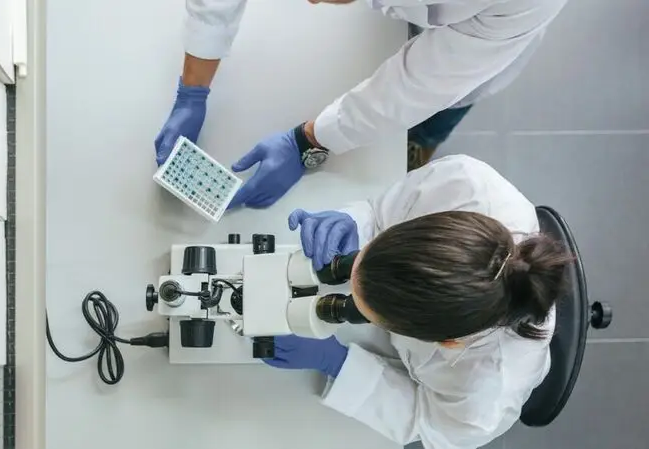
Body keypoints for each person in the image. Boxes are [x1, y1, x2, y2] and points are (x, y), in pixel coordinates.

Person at [263, 154, 573, 449]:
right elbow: (384, 214)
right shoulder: (466, 185)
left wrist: (340, 365)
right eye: (355, 262)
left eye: (360, 310)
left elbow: (423, 420)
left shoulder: (482, 396)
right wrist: (354, 223)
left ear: (448, 343)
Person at [154, 0, 568, 209]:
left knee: (421, 128)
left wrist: (310, 141)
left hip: (478, 40)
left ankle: (417, 148)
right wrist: (194, 85)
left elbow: (418, 86)